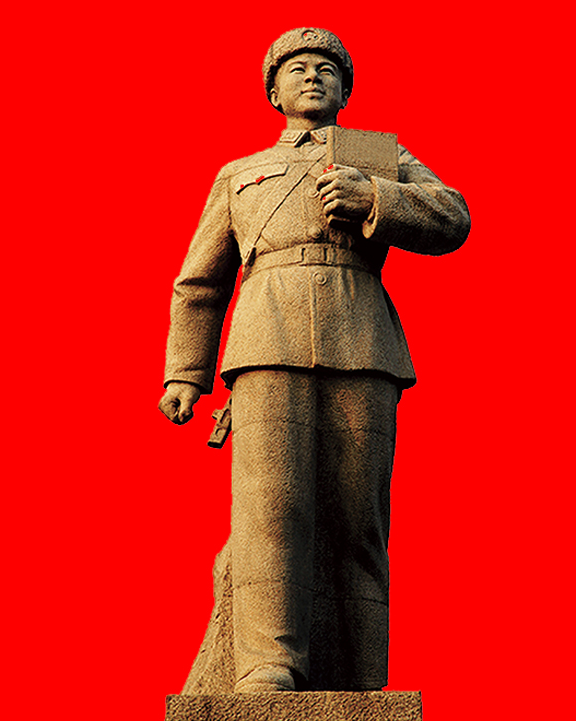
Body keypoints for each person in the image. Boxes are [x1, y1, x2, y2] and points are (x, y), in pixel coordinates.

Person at [159, 27, 470, 693]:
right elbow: (200, 282)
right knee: (270, 509)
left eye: (327, 69)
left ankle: (362, 672)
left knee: (359, 518)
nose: (312, 76)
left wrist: (375, 199)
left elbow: (452, 217)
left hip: (362, 340)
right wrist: (186, 372)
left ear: (345, 90)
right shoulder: (239, 173)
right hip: (264, 338)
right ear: (273, 92)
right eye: (296, 68)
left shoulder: (372, 153)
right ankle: (268, 664)